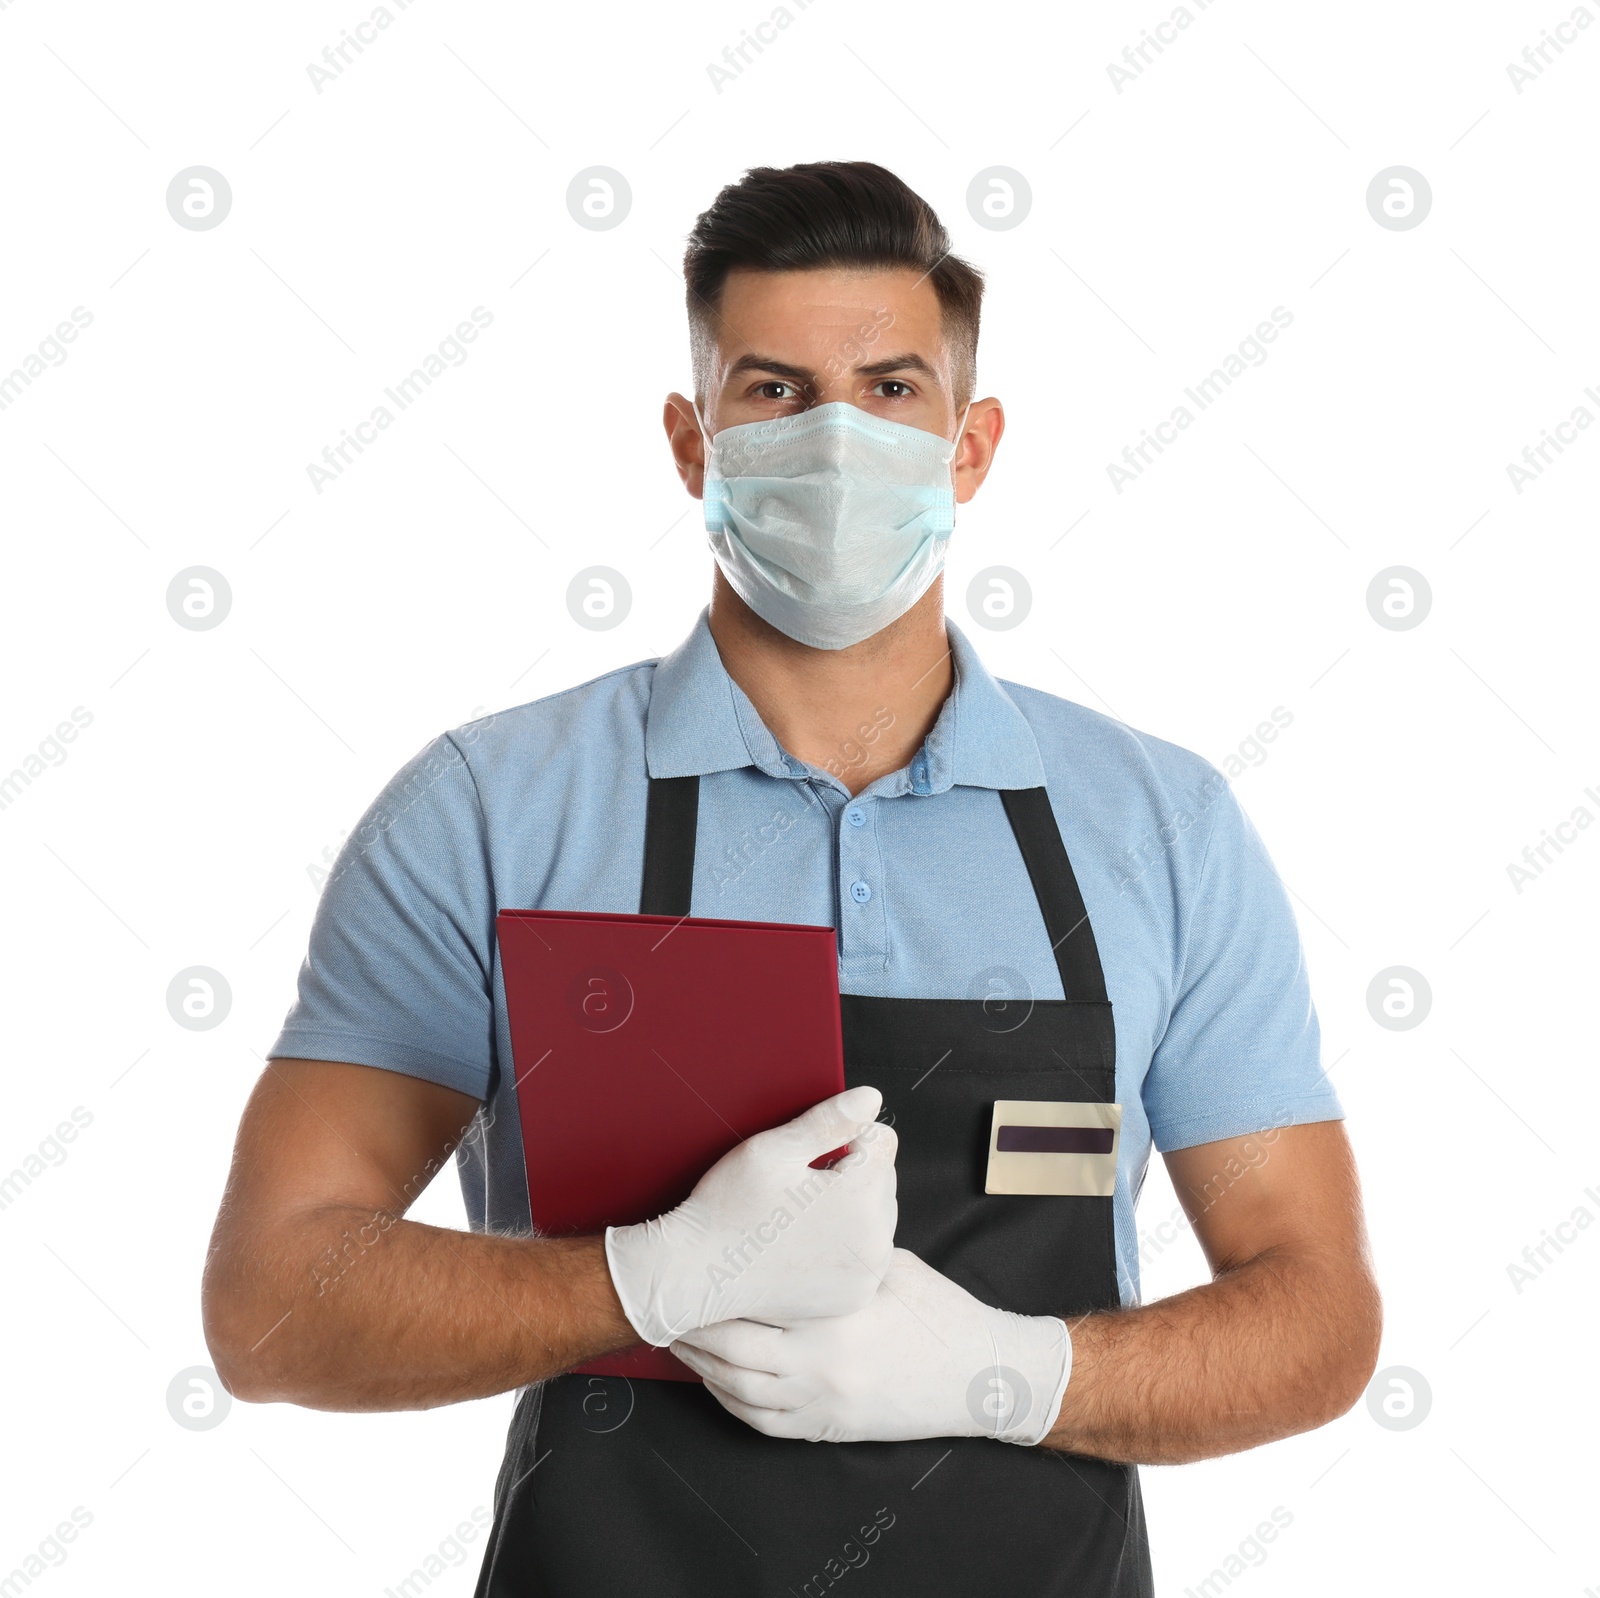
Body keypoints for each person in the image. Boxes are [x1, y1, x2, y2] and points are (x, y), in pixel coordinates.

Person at [202, 160, 1382, 1597]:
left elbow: (1318, 1314)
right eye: (772, 392)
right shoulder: (491, 810)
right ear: (692, 444)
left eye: (891, 389)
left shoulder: (1161, 830)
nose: (834, 440)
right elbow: (269, 1308)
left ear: (972, 444)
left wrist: (1010, 1371)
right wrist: (641, 1279)